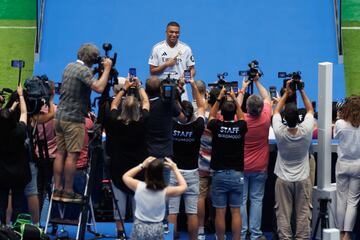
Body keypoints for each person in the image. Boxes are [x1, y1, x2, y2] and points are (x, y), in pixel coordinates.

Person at [52, 43, 112, 203]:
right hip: (74, 120)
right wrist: (106, 69)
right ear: (92, 59)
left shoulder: (69, 67)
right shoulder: (84, 71)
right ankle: (69, 190)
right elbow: (99, 87)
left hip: (59, 118)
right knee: (72, 156)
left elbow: (83, 78)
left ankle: (57, 189)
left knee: (60, 153)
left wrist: (95, 71)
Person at [106, 77, 150, 239]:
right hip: (137, 168)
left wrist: (124, 89)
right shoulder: (143, 121)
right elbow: (146, 102)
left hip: (118, 167)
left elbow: (113, 106)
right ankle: (138, 231)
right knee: (137, 199)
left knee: (119, 200)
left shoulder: (114, 121)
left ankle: (120, 232)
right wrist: (139, 87)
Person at [272, 80, 314, 240]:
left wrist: (286, 93)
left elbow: (276, 111)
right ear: (299, 118)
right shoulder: (306, 130)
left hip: (283, 180)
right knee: (303, 214)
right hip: (303, 179)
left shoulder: (279, 131)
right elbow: (310, 109)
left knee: (282, 214)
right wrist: (301, 90)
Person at [208, 87, 248, 240]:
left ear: (222, 114)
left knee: (220, 212)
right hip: (237, 175)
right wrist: (236, 100)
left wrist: (219, 98)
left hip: (219, 176)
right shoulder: (241, 127)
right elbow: (242, 116)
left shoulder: (216, 126)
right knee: (236, 211)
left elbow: (211, 116)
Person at [168, 79, 205, 239]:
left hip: (174, 173)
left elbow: (172, 106)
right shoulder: (197, 126)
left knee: (173, 211)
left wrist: (178, 90)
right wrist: (193, 85)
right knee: (191, 212)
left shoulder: (172, 125)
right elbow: (202, 106)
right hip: (191, 173)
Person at [237, 77, 271, 240]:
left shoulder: (241, 120)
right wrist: (257, 81)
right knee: (257, 200)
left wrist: (243, 88)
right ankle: (256, 234)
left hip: (242, 167)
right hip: (260, 167)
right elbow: (267, 98)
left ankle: (242, 234)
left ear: (247, 108)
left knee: (242, 200)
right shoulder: (266, 117)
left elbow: (236, 106)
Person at [122, 157, 187, 240]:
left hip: (139, 226)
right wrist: (175, 169)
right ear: (161, 174)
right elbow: (184, 186)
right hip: (157, 228)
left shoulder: (138, 186)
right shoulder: (166, 191)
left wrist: (142, 165)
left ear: (147, 172)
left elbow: (125, 176)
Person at [0, 85, 31, 224]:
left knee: (1, 205)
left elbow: (5, 117)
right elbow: (24, 113)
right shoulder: (20, 131)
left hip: (2, 174)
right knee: (19, 205)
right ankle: (19, 231)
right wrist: (21, 96)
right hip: (19, 174)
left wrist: (10, 107)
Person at [334, 96, 360, 240]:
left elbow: (335, 136)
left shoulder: (340, 124)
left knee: (341, 199)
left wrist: (339, 116)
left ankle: (339, 232)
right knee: (352, 201)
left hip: (343, 164)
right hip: (358, 165)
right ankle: (347, 234)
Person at [197, 86, 221, 240]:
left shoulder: (202, 116)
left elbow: (201, 106)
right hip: (219, 163)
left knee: (201, 196)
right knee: (217, 197)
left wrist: (206, 99)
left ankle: (200, 230)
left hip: (202, 162)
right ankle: (218, 230)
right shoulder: (225, 116)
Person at [148, 21, 195, 99]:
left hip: (180, 89)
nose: (174, 34)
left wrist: (185, 77)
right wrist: (166, 64)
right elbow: (152, 72)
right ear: (166, 32)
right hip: (161, 89)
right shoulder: (157, 48)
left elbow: (192, 69)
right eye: (171, 32)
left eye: (177, 32)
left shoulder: (186, 49)